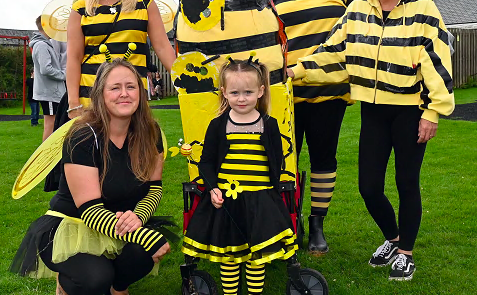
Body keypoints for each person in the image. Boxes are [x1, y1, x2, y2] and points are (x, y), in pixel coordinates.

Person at [289, 0, 455, 280]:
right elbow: (332, 50)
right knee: (369, 187)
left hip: (410, 111)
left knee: (407, 183)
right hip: (373, 110)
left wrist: (433, 111)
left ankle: (406, 252)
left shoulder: (423, 8)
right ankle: (393, 239)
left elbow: (437, 60)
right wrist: (296, 69)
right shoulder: (357, 10)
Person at [11, 59, 171, 294]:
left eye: (131, 86)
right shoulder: (83, 136)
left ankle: (119, 288)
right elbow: (90, 210)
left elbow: (154, 187)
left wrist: (137, 217)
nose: (124, 94)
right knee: (95, 279)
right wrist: (143, 235)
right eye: (115, 88)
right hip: (74, 225)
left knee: (141, 256)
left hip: (120, 221)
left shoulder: (151, 131)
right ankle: (67, 283)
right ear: (100, 94)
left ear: (141, 91)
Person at [268, 0, 362, 254]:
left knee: (324, 158)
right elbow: (263, 30)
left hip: (328, 90)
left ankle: (317, 224)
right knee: (282, 160)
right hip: (285, 92)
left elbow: (363, 29)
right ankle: (290, 221)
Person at [181, 57, 298, 295]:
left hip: (261, 201)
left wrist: (273, 193)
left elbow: (277, 160)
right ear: (224, 93)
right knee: (230, 256)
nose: (241, 98)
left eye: (248, 92)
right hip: (227, 201)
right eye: (235, 93)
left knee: (258, 256)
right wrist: (213, 188)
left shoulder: (269, 124)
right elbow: (207, 162)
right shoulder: (218, 125)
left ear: (260, 91)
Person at [66, 0, 176, 119]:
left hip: (132, 99)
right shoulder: (80, 8)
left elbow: (163, 48)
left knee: (138, 148)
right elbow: (74, 58)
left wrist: (188, 83)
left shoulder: (145, 4)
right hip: (90, 98)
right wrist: (73, 103)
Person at [30, 16, 66, 141]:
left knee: (53, 125)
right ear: (46, 27)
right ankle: (46, 158)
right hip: (49, 93)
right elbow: (45, 69)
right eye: (54, 27)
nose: (56, 30)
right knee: (50, 126)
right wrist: (63, 75)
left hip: (51, 92)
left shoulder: (44, 44)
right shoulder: (41, 45)